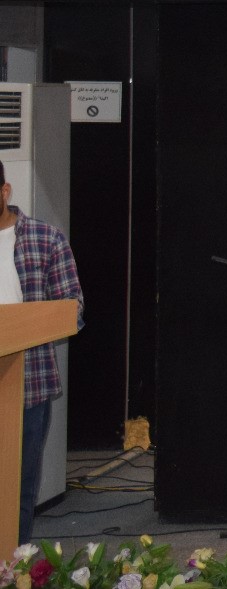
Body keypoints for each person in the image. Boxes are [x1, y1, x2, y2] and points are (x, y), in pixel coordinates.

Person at [1, 160, 84, 544]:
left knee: (19, 486)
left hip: (27, 385)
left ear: (5, 192)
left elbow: (73, 309)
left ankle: (11, 564)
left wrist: (31, 324)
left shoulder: (45, 238)